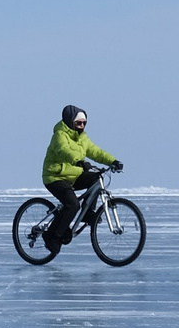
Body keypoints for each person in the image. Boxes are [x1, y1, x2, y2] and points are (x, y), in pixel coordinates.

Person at [40, 104, 122, 252]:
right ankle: (51, 236)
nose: (82, 126)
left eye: (84, 123)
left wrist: (113, 161)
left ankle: (89, 213)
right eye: (78, 123)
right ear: (70, 121)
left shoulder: (82, 137)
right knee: (72, 205)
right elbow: (63, 150)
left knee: (96, 178)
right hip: (55, 176)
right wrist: (79, 160)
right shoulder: (59, 135)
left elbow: (95, 151)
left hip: (73, 175)